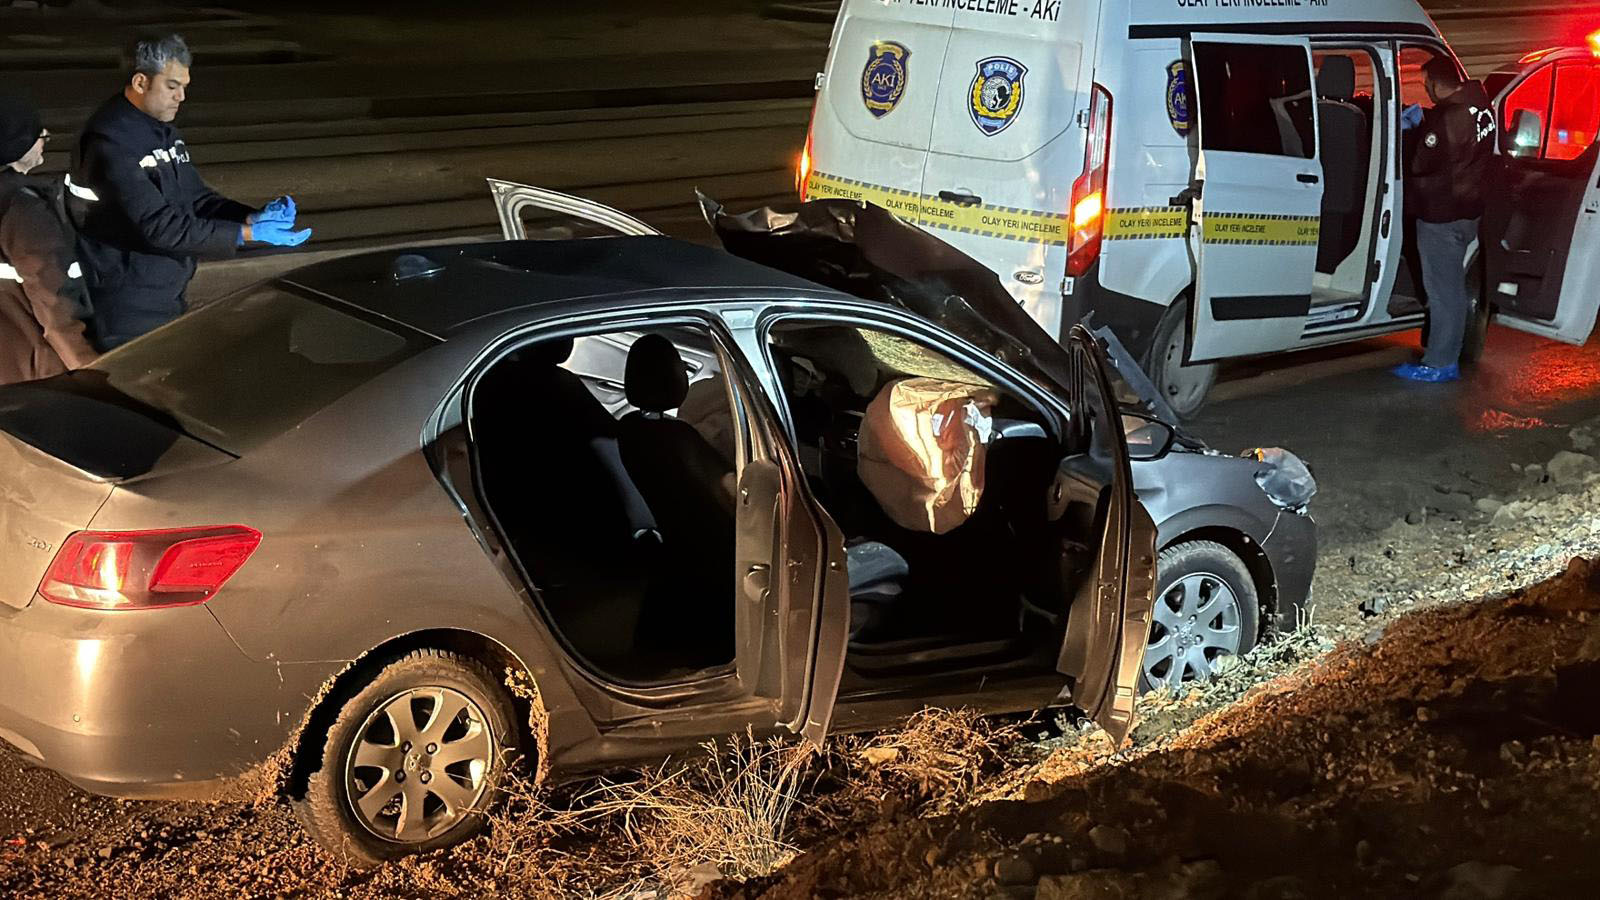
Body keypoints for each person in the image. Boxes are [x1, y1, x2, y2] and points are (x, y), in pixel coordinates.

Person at [71, 34, 311, 351]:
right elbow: (159, 226)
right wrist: (246, 234)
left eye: (184, 86)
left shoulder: (161, 129)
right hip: (124, 303)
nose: (181, 97)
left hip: (162, 290)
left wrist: (250, 215)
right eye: (172, 86)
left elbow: (195, 198)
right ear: (141, 82)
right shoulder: (110, 142)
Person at [1393, 58, 1496, 383]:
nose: (1425, 89)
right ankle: (1443, 357)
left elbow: (1422, 165)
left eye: (1426, 84)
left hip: (1442, 216)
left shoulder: (1447, 119)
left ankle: (1439, 363)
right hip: (1468, 212)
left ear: (1438, 83)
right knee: (1449, 288)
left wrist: (1414, 133)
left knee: (1442, 291)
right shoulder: (1483, 109)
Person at [0, 93, 98, 384]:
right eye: (38, 135)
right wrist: (87, 369)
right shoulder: (23, 210)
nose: (44, 139)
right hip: (29, 372)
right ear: (16, 144)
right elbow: (53, 300)